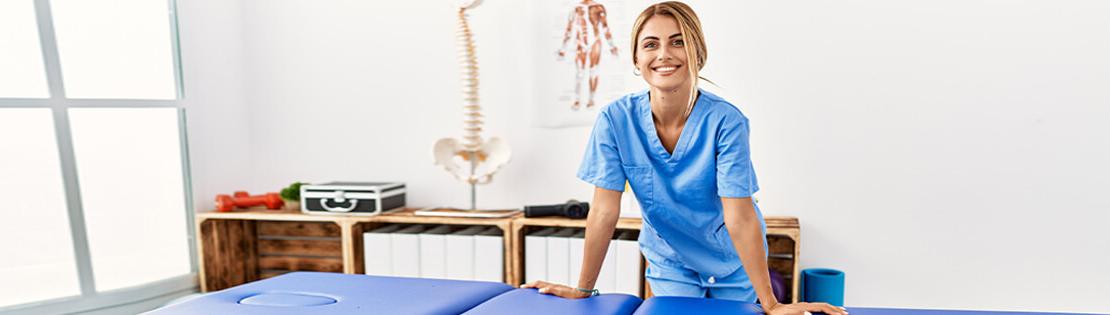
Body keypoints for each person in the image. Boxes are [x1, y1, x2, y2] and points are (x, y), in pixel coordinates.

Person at [523, 2, 848, 315]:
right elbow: (605, 211)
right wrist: (583, 290)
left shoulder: (726, 122)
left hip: (733, 261)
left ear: (698, 54)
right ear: (636, 59)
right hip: (670, 260)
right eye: (651, 44)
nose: (664, 54)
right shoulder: (615, 120)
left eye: (678, 42)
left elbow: (740, 217)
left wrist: (771, 303)